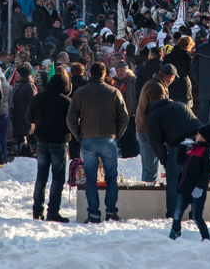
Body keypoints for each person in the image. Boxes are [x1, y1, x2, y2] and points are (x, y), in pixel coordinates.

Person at [67, 62, 129, 223]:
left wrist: (79, 135)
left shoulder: (80, 93)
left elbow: (71, 118)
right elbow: (124, 117)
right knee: (111, 176)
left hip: (88, 138)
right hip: (109, 138)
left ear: (90, 74)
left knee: (90, 178)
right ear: (104, 74)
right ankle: (111, 212)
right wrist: (117, 135)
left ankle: (93, 214)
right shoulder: (114, 92)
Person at [146, 83, 203, 219]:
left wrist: (165, 161)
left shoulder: (153, 115)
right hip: (199, 141)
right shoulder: (179, 105)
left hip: (180, 144)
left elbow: (156, 142)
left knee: (173, 180)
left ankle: (173, 214)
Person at [26, 67, 73, 222]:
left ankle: (37, 211)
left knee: (41, 177)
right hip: (59, 142)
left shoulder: (38, 98)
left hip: (41, 142)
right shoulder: (67, 101)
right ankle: (53, 212)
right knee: (58, 178)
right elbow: (72, 123)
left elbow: (29, 118)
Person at [169, 124, 210, 241]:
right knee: (177, 213)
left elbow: (207, 172)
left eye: (198, 134)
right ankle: (175, 232)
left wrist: (200, 187)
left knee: (197, 216)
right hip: (185, 189)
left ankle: (206, 237)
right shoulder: (192, 149)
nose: (196, 136)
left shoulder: (208, 152)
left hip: (197, 191)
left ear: (204, 137)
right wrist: (182, 147)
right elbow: (180, 161)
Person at [135, 63, 175, 183]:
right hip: (148, 131)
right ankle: (147, 192)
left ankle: (145, 188)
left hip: (142, 128)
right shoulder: (157, 88)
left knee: (147, 167)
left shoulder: (152, 83)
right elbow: (158, 113)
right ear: (171, 77)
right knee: (151, 170)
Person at [9, 65, 37, 158]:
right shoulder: (21, 85)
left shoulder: (29, 86)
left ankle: (23, 156)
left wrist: (27, 114)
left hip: (24, 116)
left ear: (22, 75)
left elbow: (32, 101)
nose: (16, 76)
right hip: (18, 115)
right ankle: (26, 155)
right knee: (21, 136)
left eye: (17, 74)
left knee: (23, 136)